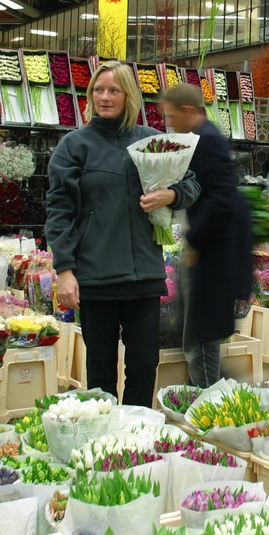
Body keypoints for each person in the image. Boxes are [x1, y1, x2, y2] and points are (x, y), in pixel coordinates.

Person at [46, 61, 200, 406]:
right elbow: (60, 212)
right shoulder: (74, 146)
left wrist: (171, 195)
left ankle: (137, 436)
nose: (105, 97)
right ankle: (103, 442)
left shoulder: (151, 141)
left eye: (114, 90)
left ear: (128, 95)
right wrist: (65, 270)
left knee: (145, 365)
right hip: (95, 278)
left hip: (143, 276)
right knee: (100, 370)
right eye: (98, 90)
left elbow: (191, 183)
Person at [161, 83, 253, 388]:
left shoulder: (207, 139)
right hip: (210, 249)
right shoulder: (205, 136)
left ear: (189, 111)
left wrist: (196, 242)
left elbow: (221, 197)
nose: (171, 123)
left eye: (173, 117)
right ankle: (208, 390)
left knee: (201, 334)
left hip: (212, 254)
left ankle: (207, 397)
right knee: (198, 331)